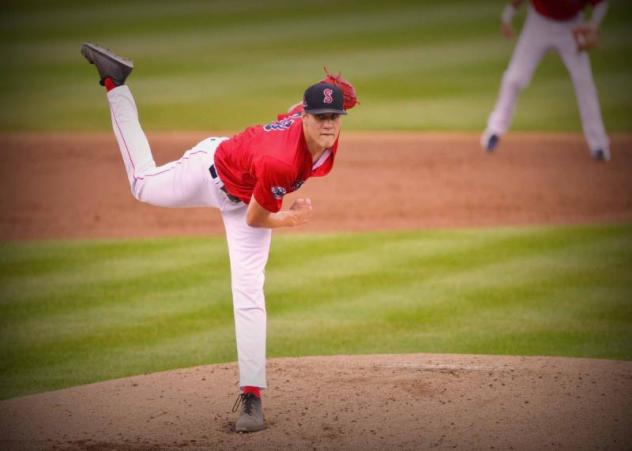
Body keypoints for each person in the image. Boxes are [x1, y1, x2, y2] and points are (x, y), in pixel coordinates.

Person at [80, 43, 358, 432]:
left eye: (335, 115)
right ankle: (115, 82)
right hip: (210, 173)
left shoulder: (321, 131)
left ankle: (252, 398)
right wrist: (292, 221)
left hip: (248, 182)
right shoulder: (281, 161)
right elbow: (256, 218)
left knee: (249, 291)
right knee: (142, 184)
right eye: (321, 116)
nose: (329, 123)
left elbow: (319, 103)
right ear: (306, 119)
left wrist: (336, 88)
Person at [481, 0, 611, 161]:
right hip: (539, 24)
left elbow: (601, 2)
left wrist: (594, 23)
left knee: (584, 83)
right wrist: (507, 17)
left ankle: (598, 145)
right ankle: (494, 131)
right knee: (513, 78)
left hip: (572, 26)